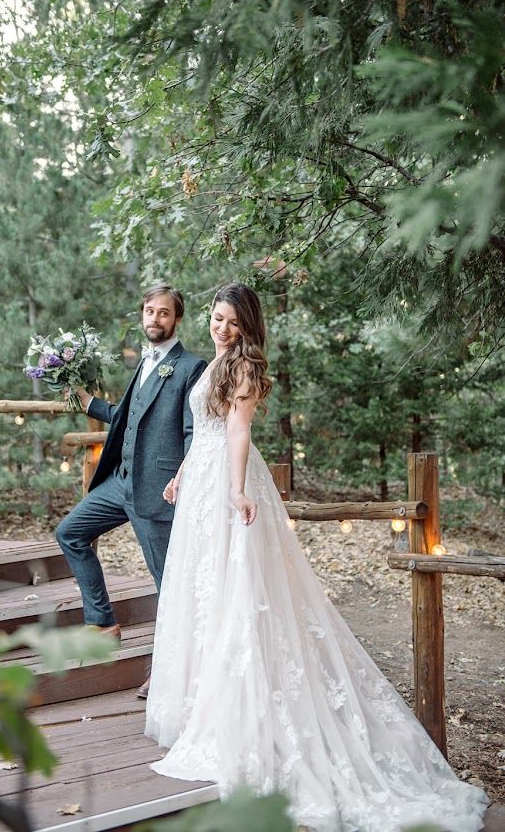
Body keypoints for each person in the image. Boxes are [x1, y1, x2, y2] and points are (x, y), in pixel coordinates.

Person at [145, 283, 488, 832]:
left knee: (240, 596)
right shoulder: (213, 365)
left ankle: (251, 717)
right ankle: (205, 706)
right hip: (201, 488)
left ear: (248, 325)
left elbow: (236, 430)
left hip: (230, 485)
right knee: (204, 593)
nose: (221, 327)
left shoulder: (248, 368)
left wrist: (237, 491)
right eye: (216, 318)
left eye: (231, 321)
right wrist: (183, 475)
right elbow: (205, 433)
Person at [56, 284, 206, 697]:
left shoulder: (192, 367)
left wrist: (182, 476)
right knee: (70, 533)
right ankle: (103, 623)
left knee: (170, 583)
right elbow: (129, 417)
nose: (154, 319)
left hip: (158, 490)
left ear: (177, 319)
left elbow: (195, 432)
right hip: (120, 482)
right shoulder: (145, 362)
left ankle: (169, 672)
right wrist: (89, 403)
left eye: (163, 313)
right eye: (149, 311)